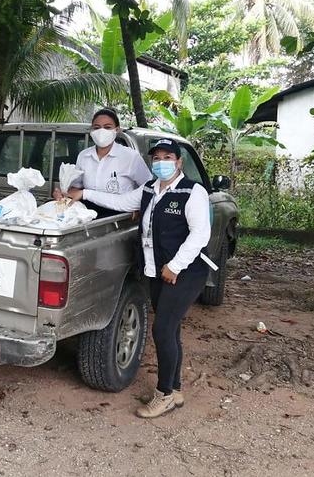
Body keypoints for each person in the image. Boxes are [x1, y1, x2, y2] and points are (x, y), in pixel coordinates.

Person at [67, 139, 211, 418]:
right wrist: (82, 193)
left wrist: (176, 266)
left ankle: (164, 394)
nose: (161, 162)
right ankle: (176, 389)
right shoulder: (149, 189)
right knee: (172, 330)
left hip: (186, 273)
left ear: (179, 162)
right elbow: (118, 201)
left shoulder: (193, 192)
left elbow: (200, 235)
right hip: (157, 271)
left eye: (167, 157)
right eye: (156, 157)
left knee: (162, 330)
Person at [53, 108, 151, 217]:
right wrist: (64, 193)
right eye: (97, 127)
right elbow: (76, 187)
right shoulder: (84, 156)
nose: (101, 131)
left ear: (117, 130)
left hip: (118, 216)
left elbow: (148, 187)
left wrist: (137, 207)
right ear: (91, 130)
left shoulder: (131, 157)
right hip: (88, 213)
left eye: (107, 127)